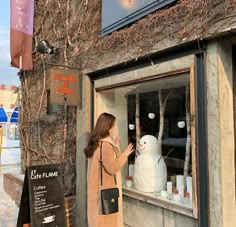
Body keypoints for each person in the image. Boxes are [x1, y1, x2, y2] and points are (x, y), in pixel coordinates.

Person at [84, 112, 134, 227]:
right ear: (109, 126)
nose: (114, 127)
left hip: (96, 193)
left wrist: (115, 147)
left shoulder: (96, 143)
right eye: (113, 124)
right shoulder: (105, 145)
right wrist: (124, 154)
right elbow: (112, 168)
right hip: (105, 195)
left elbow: (102, 163)